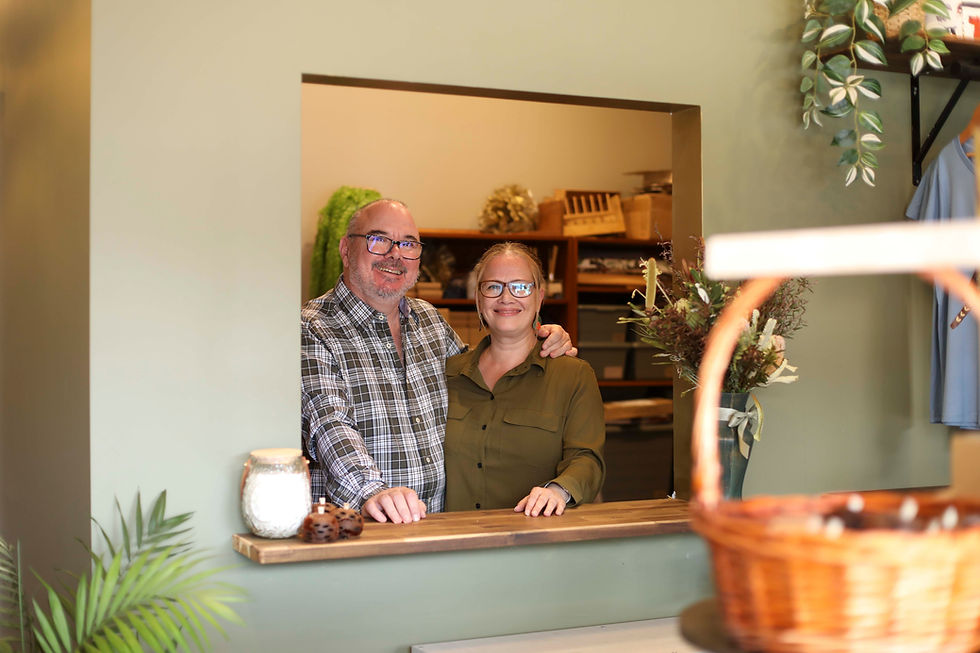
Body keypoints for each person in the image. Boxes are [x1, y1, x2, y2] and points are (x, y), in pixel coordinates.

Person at [301, 199, 575, 524]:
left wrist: (539, 338)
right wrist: (373, 492)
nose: (395, 254)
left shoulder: (429, 320)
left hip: (441, 529)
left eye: (408, 244)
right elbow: (330, 425)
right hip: (360, 529)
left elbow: (481, 382)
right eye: (379, 240)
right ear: (346, 249)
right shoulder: (311, 327)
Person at [444, 242, 605, 516]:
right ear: (478, 298)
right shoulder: (448, 374)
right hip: (453, 545)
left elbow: (587, 459)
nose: (506, 298)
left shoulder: (574, 376)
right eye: (493, 286)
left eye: (520, 287)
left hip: (534, 544)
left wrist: (559, 490)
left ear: (539, 297)